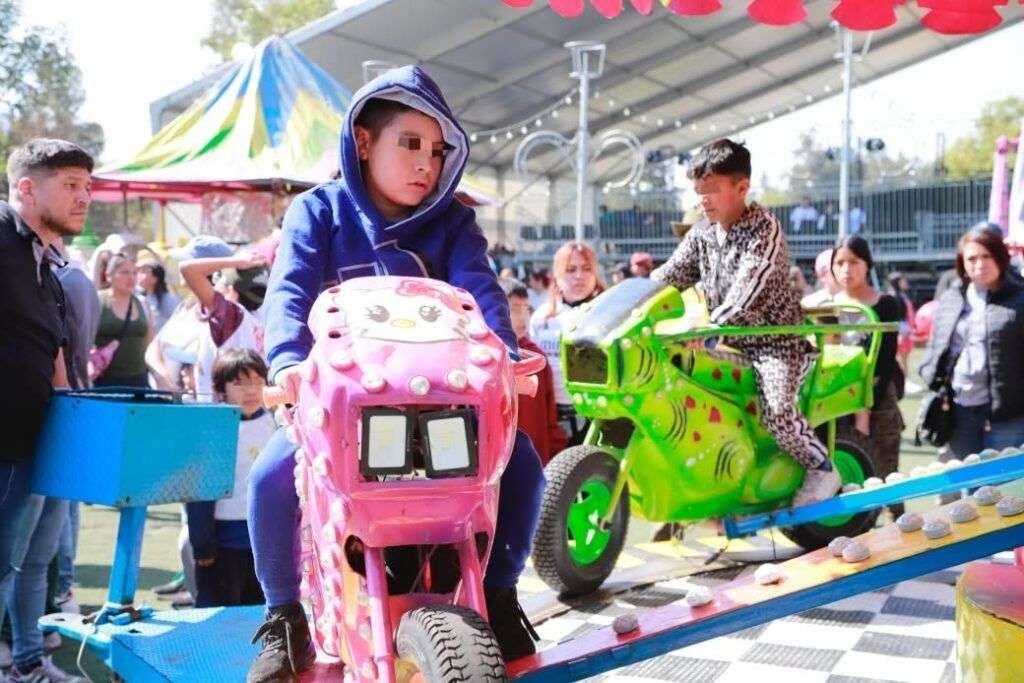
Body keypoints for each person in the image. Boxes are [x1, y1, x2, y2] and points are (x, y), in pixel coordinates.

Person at [246, 65, 546, 682]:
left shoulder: (453, 223)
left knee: (521, 465)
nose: (426, 164)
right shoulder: (318, 212)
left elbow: (482, 294)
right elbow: (289, 293)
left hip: (447, 410)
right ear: (362, 141)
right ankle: (284, 616)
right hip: (339, 412)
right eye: (410, 144)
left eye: (436, 151)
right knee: (271, 477)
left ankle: (500, 591)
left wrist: (506, 356)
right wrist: (288, 362)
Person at [651, 139, 839, 505]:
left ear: (742, 188)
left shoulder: (763, 228)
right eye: (698, 192)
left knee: (777, 413)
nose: (703, 200)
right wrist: (626, 301)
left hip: (775, 344)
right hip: (727, 340)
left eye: (712, 191)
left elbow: (746, 289)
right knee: (680, 381)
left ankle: (821, 466)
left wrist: (710, 327)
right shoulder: (703, 232)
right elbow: (666, 277)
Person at [0, 138, 91, 683]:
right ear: (27, 189)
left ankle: (28, 663)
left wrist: (72, 429)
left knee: (33, 563)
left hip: (43, 446)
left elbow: (56, 362)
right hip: (6, 449)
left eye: (87, 187)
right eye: (71, 185)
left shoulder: (48, 268)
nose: (84, 198)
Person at [920, 225, 1024, 489]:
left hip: (1008, 411)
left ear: (1000, 257)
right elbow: (937, 344)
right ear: (962, 263)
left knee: (1005, 487)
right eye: (972, 258)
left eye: (987, 256)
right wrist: (931, 374)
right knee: (969, 485)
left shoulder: (1020, 296)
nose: (980, 264)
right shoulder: (952, 297)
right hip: (959, 408)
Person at [186, 349, 274, 608]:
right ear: (219, 388)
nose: (251, 391)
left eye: (257, 381)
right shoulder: (214, 430)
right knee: (219, 610)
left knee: (260, 611)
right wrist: (202, 544)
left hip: (264, 540)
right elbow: (200, 491)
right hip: (223, 543)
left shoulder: (275, 425)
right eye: (239, 383)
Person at [832, 237, 904, 489]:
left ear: (867, 265)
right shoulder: (828, 307)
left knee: (886, 476)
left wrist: (864, 409)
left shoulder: (885, 304)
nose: (846, 269)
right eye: (839, 263)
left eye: (854, 262)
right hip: (836, 400)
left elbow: (885, 361)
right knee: (845, 473)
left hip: (878, 397)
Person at [529, 241, 605, 446]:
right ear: (556, 275)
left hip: (598, 417)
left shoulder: (607, 314)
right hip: (553, 416)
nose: (579, 276)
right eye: (571, 269)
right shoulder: (541, 318)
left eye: (586, 269)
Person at [178, 252, 268, 401]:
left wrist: (236, 261)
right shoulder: (263, 317)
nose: (214, 285)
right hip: (253, 409)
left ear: (231, 290)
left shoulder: (230, 314)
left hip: (220, 411)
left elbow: (187, 269)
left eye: (219, 282)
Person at [500, 278, 567, 466]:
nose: (523, 317)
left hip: (536, 456)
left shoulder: (536, 356)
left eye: (526, 308)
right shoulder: (486, 356)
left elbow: (549, 412)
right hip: (500, 459)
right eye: (514, 309)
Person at [93, 254, 154, 388]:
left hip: (139, 381)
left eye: (134, 273)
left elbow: (150, 345)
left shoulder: (143, 303)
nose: (131, 278)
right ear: (109, 275)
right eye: (125, 272)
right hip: (103, 382)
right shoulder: (97, 301)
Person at [136, 259, 180, 334]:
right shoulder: (138, 299)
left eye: (143, 271)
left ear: (155, 278)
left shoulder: (169, 300)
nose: (138, 275)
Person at [888, 272, 915, 377]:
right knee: (900, 359)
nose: (906, 282)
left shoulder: (901, 295)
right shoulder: (894, 296)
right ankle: (901, 380)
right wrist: (902, 333)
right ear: (897, 282)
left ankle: (904, 380)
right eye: (903, 281)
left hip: (904, 329)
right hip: (901, 330)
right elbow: (897, 317)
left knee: (904, 359)